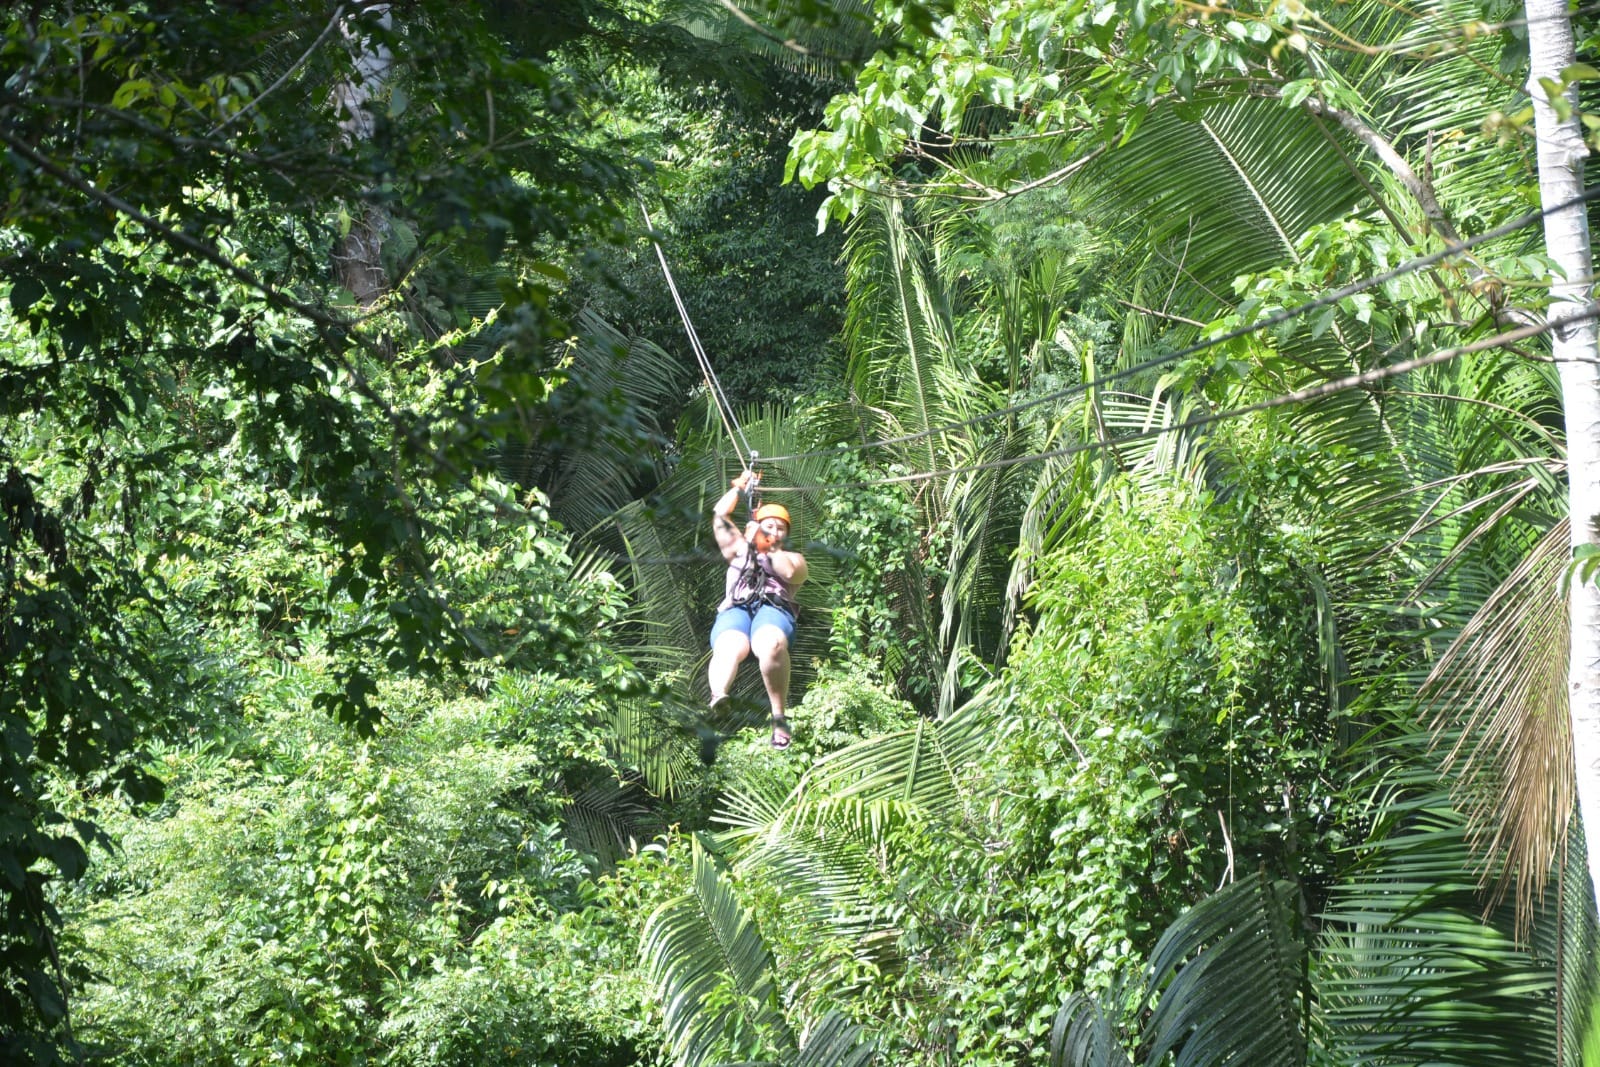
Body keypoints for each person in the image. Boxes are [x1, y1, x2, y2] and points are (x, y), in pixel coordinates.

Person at [708, 470, 808, 748]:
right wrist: (740, 488)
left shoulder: (793, 557)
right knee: (730, 645)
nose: (774, 531)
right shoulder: (739, 549)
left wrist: (765, 546)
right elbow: (719, 516)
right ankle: (719, 695)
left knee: (771, 642)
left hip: (772, 609)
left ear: (786, 535)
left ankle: (778, 719)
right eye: (769, 526)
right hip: (737, 608)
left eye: (779, 528)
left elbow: (789, 572)